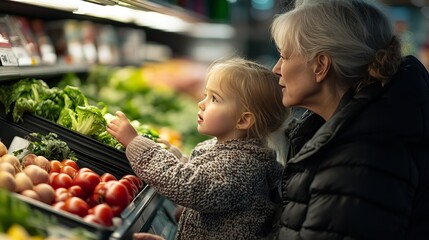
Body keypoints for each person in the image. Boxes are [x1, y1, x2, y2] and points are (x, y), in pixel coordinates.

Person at [270, 0, 429, 239]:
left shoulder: (360, 158)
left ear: (320, 66)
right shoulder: (355, 133)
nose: (276, 68)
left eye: (284, 56)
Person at [106, 57, 289, 239]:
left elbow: (187, 185)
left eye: (214, 99)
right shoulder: (229, 151)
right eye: (205, 95)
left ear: (243, 120)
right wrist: (176, 157)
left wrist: (135, 143)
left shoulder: (243, 166)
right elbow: (203, 172)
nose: (201, 103)